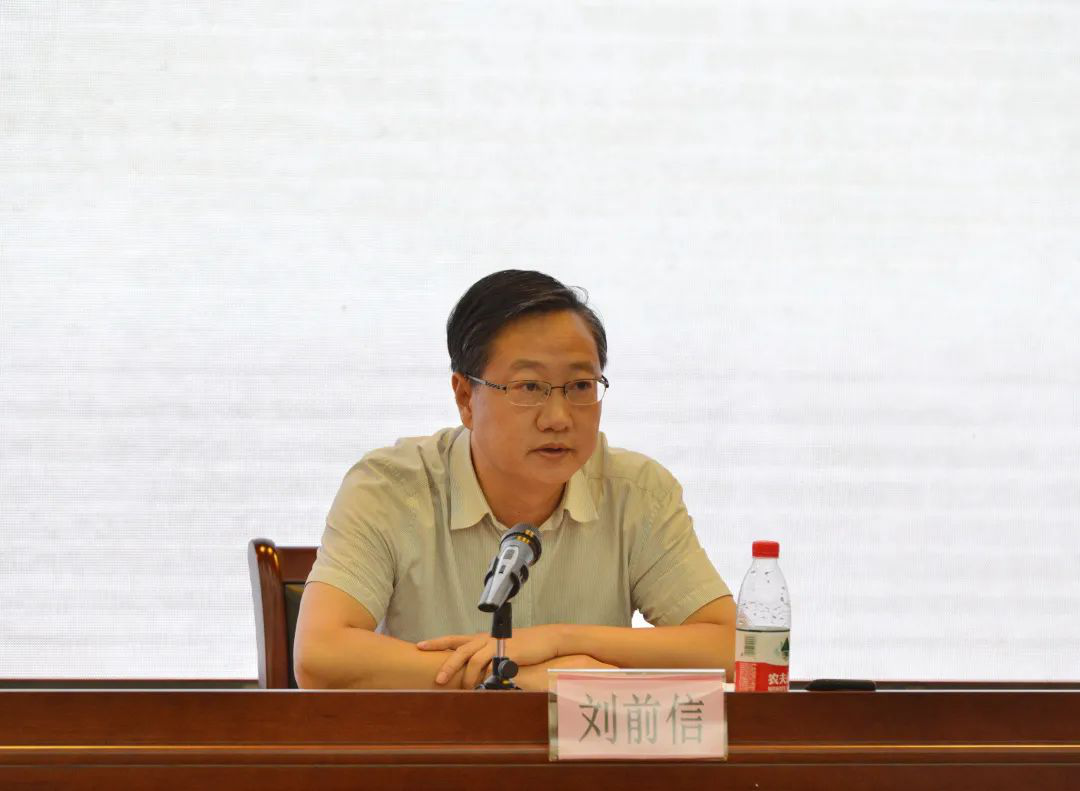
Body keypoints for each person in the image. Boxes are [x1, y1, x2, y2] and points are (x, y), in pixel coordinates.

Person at [294, 270, 734, 690]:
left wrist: (560, 641)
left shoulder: (636, 492)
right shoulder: (390, 489)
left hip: (580, 747)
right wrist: (510, 681)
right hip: (433, 743)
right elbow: (319, 657)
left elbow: (734, 647)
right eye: (529, 387)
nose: (559, 417)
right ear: (465, 398)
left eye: (581, 386)